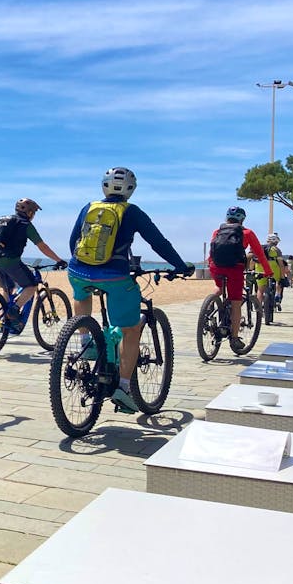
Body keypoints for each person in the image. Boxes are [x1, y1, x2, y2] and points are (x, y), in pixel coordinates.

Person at [67, 167, 194, 412]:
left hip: (78, 271)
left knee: (81, 294)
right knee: (130, 329)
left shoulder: (88, 207)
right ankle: (123, 388)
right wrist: (179, 266)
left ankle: (86, 340)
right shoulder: (132, 211)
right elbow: (158, 242)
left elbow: (73, 242)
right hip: (115, 276)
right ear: (131, 190)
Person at [0, 198, 66, 332]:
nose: (33, 215)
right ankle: (13, 311)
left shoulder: (2, 220)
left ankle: (1, 319)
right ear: (29, 213)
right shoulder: (25, 224)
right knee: (32, 285)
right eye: (33, 212)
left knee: (8, 289)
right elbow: (42, 246)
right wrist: (58, 260)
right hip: (10, 262)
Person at [207, 206, 272, 354]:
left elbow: (212, 252)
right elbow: (260, 254)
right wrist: (267, 271)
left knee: (219, 288)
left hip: (216, 267)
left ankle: (210, 306)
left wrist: (212, 264)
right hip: (235, 269)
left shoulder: (217, 231)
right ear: (242, 219)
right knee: (236, 301)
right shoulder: (247, 233)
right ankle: (234, 338)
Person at [252, 232, 286, 307]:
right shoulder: (277, 250)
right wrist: (283, 277)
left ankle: (259, 307)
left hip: (260, 267)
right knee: (278, 281)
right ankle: (277, 295)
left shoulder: (260, 247)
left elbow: (253, 261)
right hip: (273, 268)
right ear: (276, 241)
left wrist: (251, 269)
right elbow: (281, 265)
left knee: (260, 290)